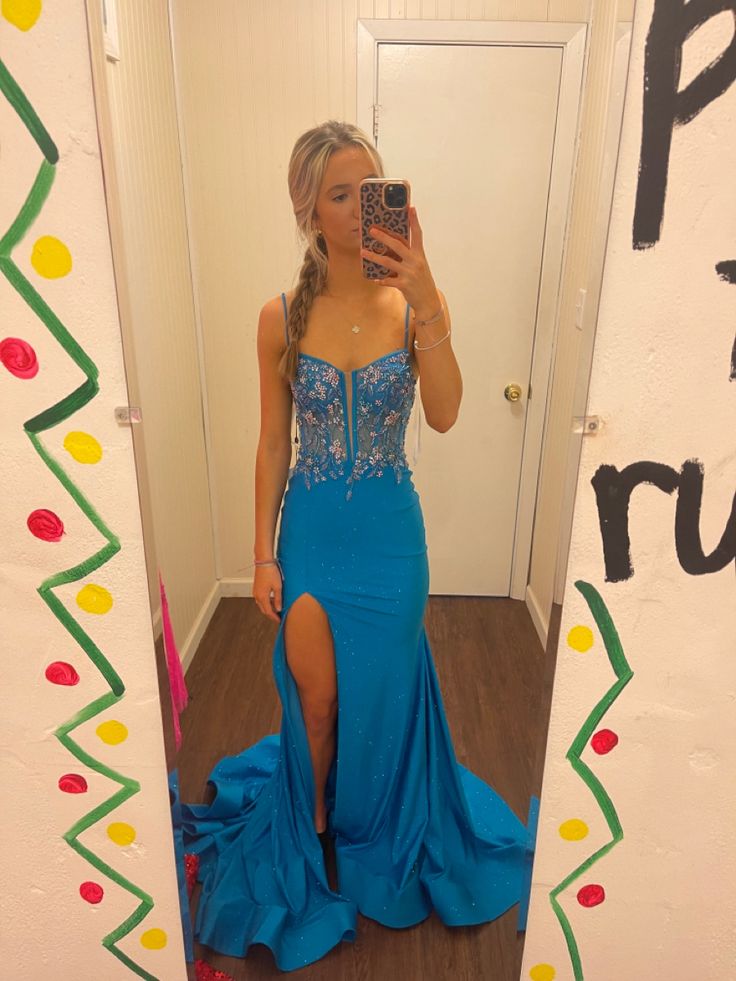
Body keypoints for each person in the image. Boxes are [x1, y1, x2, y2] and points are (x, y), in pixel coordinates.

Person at [181, 120, 535, 973]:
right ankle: (311, 821)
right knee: (317, 699)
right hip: (311, 533)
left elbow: (444, 414)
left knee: (379, 692)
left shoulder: (410, 306)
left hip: (391, 541)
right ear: (308, 209)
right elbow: (273, 442)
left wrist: (429, 290)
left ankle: (375, 819)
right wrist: (260, 554)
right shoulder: (277, 317)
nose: (355, 208)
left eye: (368, 189)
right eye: (338, 194)